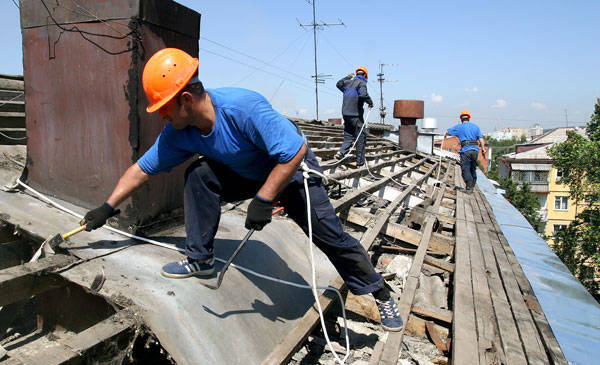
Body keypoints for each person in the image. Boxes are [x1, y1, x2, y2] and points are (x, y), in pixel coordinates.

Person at [80, 48, 403, 332]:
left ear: (187, 100)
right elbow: (142, 170)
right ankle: (200, 259)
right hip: (247, 174)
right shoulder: (179, 133)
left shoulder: (242, 107)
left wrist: (264, 200)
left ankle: (379, 292)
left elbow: (292, 153)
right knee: (200, 173)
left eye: (165, 108)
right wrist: (107, 207)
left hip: (292, 173)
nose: (162, 116)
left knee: (330, 237)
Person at [334, 66, 374, 167]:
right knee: (361, 137)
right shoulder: (361, 83)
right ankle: (360, 162)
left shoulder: (348, 82)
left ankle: (341, 152)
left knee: (348, 135)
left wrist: (347, 77)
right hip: (355, 114)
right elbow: (363, 95)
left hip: (345, 114)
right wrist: (370, 102)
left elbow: (338, 84)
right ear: (365, 75)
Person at [444, 110, 487, 194]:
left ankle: (469, 188)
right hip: (475, 150)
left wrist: (445, 136)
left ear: (461, 119)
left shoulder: (459, 127)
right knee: (473, 168)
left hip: (465, 151)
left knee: (465, 168)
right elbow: (481, 139)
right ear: (469, 118)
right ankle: (472, 185)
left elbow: (447, 132)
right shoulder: (476, 127)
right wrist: (483, 149)